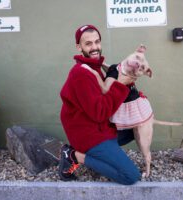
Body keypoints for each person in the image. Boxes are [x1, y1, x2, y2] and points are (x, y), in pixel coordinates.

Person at [58, 24, 141, 185]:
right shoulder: (81, 74)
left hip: (98, 127)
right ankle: (74, 155)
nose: (95, 47)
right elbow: (99, 112)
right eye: (88, 44)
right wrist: (121, 85)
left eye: (97, 42)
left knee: (133, 129)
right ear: (78, 47)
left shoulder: (93, 68)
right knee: (131, 176)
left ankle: (104, 154)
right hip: (88, 134)